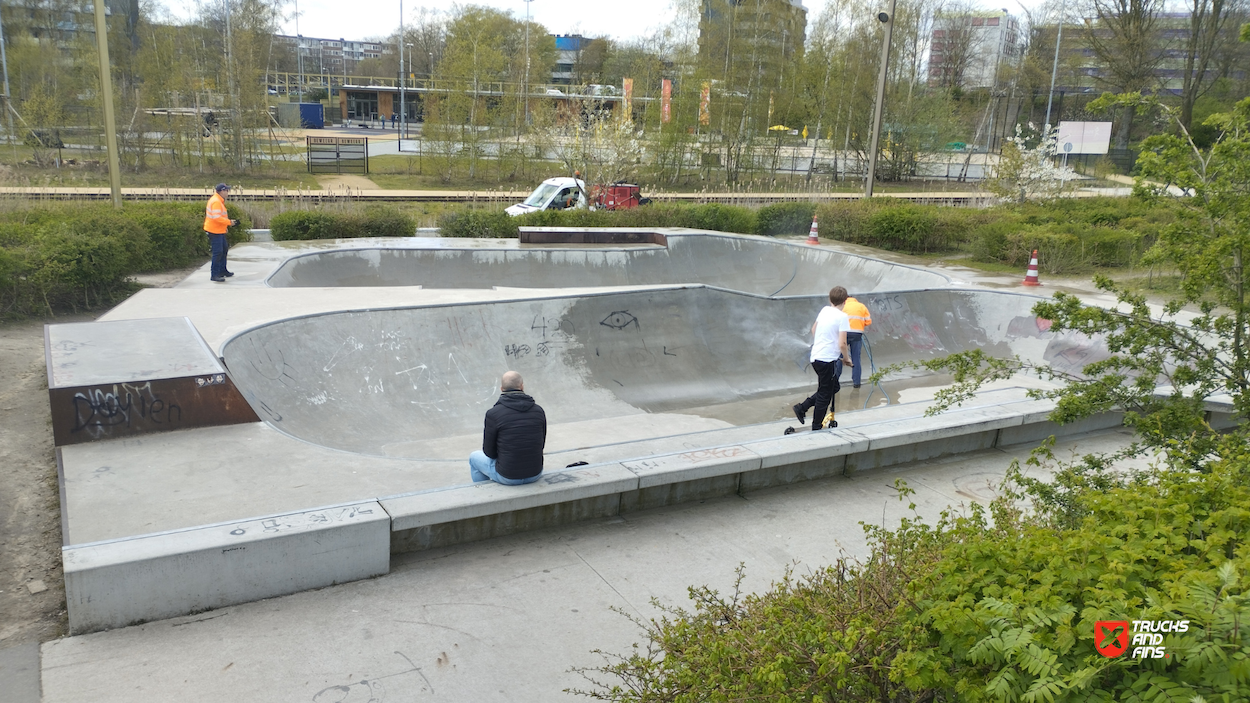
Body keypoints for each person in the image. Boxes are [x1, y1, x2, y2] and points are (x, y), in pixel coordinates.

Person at [469, 371, 547, 485]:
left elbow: (489, 452)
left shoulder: (493, 414)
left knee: (473, 458)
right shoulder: (539, 411)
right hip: (535, 473)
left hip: (507, 476)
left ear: (501, 389)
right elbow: (541, 445)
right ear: (522, 386)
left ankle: (485, 495)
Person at [793, 286, 853, 431]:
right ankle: (816, 425)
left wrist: (824, 343)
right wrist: (846, 359)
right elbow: (843, 343)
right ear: (845, 301)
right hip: (827, 361)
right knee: (825, 394)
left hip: (816, 357)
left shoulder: (825, 310)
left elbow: (814, 330)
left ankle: (803, 407)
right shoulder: (843, 317)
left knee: (833, 387)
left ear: (830, 299)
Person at [204, 183, 238, 283]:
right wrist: (229, 223)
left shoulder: (218, 200)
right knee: (218, 252)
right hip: (214, 231)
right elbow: (216, 217)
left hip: (218, 230)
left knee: (224, 250)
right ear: (221, 191)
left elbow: (219, 217)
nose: (228, 193)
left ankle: (222, 270)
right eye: (226, 190)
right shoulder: (216, 202)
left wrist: (225, 227)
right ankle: (214, 274)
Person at [841, 295, 872, 388]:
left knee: (839, 357)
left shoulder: (842, 306)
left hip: (844, 333)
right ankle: (857, 383)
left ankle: (835, 380)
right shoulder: (861, 306)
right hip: (857, 334)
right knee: (856, 358)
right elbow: (868, 322)